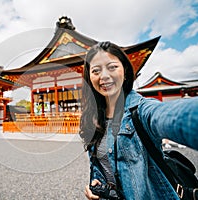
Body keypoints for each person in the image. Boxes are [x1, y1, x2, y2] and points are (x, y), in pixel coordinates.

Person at [79, 41, 198, 199]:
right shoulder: (94, 118)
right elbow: (101, 166)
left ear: (125, 71)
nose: (104, 76)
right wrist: (97, 186)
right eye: (96, 70)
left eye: (112, 67)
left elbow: (170, 115)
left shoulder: (141, 110)